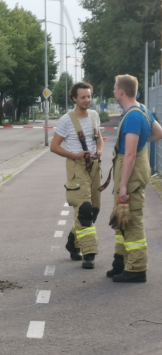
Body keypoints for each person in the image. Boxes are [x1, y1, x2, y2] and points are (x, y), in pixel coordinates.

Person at [108, 74, 162, 283]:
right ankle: (121, 262)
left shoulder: (132, 116)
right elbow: (159, 133)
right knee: (123, 218)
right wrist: (141, 138)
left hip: (130, 177)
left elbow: (129, 155)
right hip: (137, 173)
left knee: (132, 220)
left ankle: (137, 268)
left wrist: (122, 187)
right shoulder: (143, 111)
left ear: (121, 92)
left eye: (115, 88)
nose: (113, 91)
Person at [50, 82, 103, 269]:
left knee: (94, 209)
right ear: (74, 98)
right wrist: (74, 155)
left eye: (89, 96)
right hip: (77, 167)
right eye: (83, 97)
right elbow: (54, 146)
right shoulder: (66, 120)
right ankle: (89, 253)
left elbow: (99, 139)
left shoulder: (95, 116)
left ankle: (73, 241)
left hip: (94, 168)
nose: (87, 100)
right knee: (85, 210)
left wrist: (99, 150)